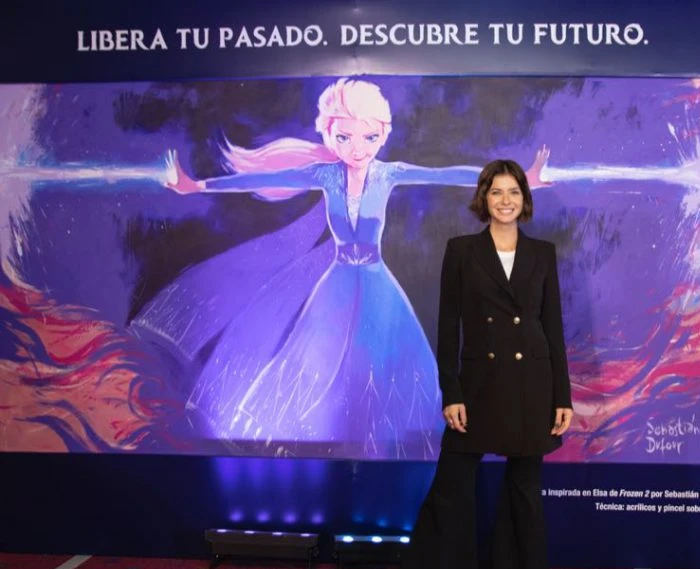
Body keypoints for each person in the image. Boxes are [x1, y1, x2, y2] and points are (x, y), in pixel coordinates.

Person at [140, 77, 549, 459]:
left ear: (383, 135)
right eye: (345, 137)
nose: (357, 148)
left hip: (376, 282)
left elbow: (449, 175)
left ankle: (385, 449)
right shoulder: (324, 174)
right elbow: (255, 180)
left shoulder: (389, 173)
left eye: (369, 137)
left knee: (385, 364)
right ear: (329, 135)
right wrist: (197, 186)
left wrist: (521, 181)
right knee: (313, 357)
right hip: (336, 282)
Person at [370, 158, 574, 569]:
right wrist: (452, 392)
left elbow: (553, 327)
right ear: (484, 199)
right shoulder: (461, 251)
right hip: (478, 389)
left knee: (523, 497)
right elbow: (448, 329)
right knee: (448, 493)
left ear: (524, 200)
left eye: (514, 192)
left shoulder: (542, 253)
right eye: (497, 192)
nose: (506, 200)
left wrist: (562, 396)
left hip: (532, 387)